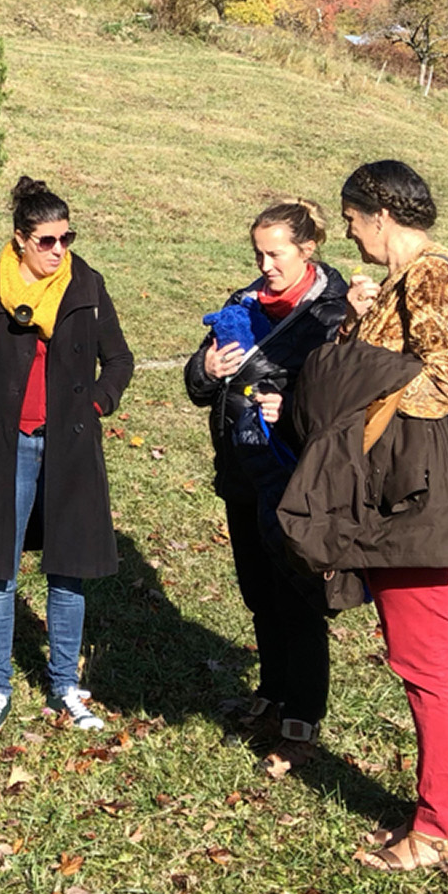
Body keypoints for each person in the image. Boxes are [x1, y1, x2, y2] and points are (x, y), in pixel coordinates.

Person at [294, 158, 448, 872]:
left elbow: (447, 378)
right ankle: (446, 818)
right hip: (401, 488)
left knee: (426, 662)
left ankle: (444, 827)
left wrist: (362, 396)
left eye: (352, 220)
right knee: (418, 658)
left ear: (381, 215)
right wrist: (360, 324)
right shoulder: (403, 282)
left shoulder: (434, 274)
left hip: (420, 492)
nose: (350, 233)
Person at [0, 176, 134, 733]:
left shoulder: (86, 285)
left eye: (67, 238)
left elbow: (119, 360)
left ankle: (65, 685)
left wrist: (96, 402)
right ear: (20, 239)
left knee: (69, 571)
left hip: (71, 446)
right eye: (47, 240)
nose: (59, 250)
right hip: (2, 446)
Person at [183, 198, 350, 746]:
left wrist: (294, 408)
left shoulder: (334, 314)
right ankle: (273, 690)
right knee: (258, 590)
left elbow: (346, 398)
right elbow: (197, 385)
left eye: (275, 254)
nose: (264, 265)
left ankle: (303, 709)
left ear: (308, 250)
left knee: (296, 594)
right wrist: (205, 368)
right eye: (258, 253)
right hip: (242, 469)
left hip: (295, 475)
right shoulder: (242, 302)